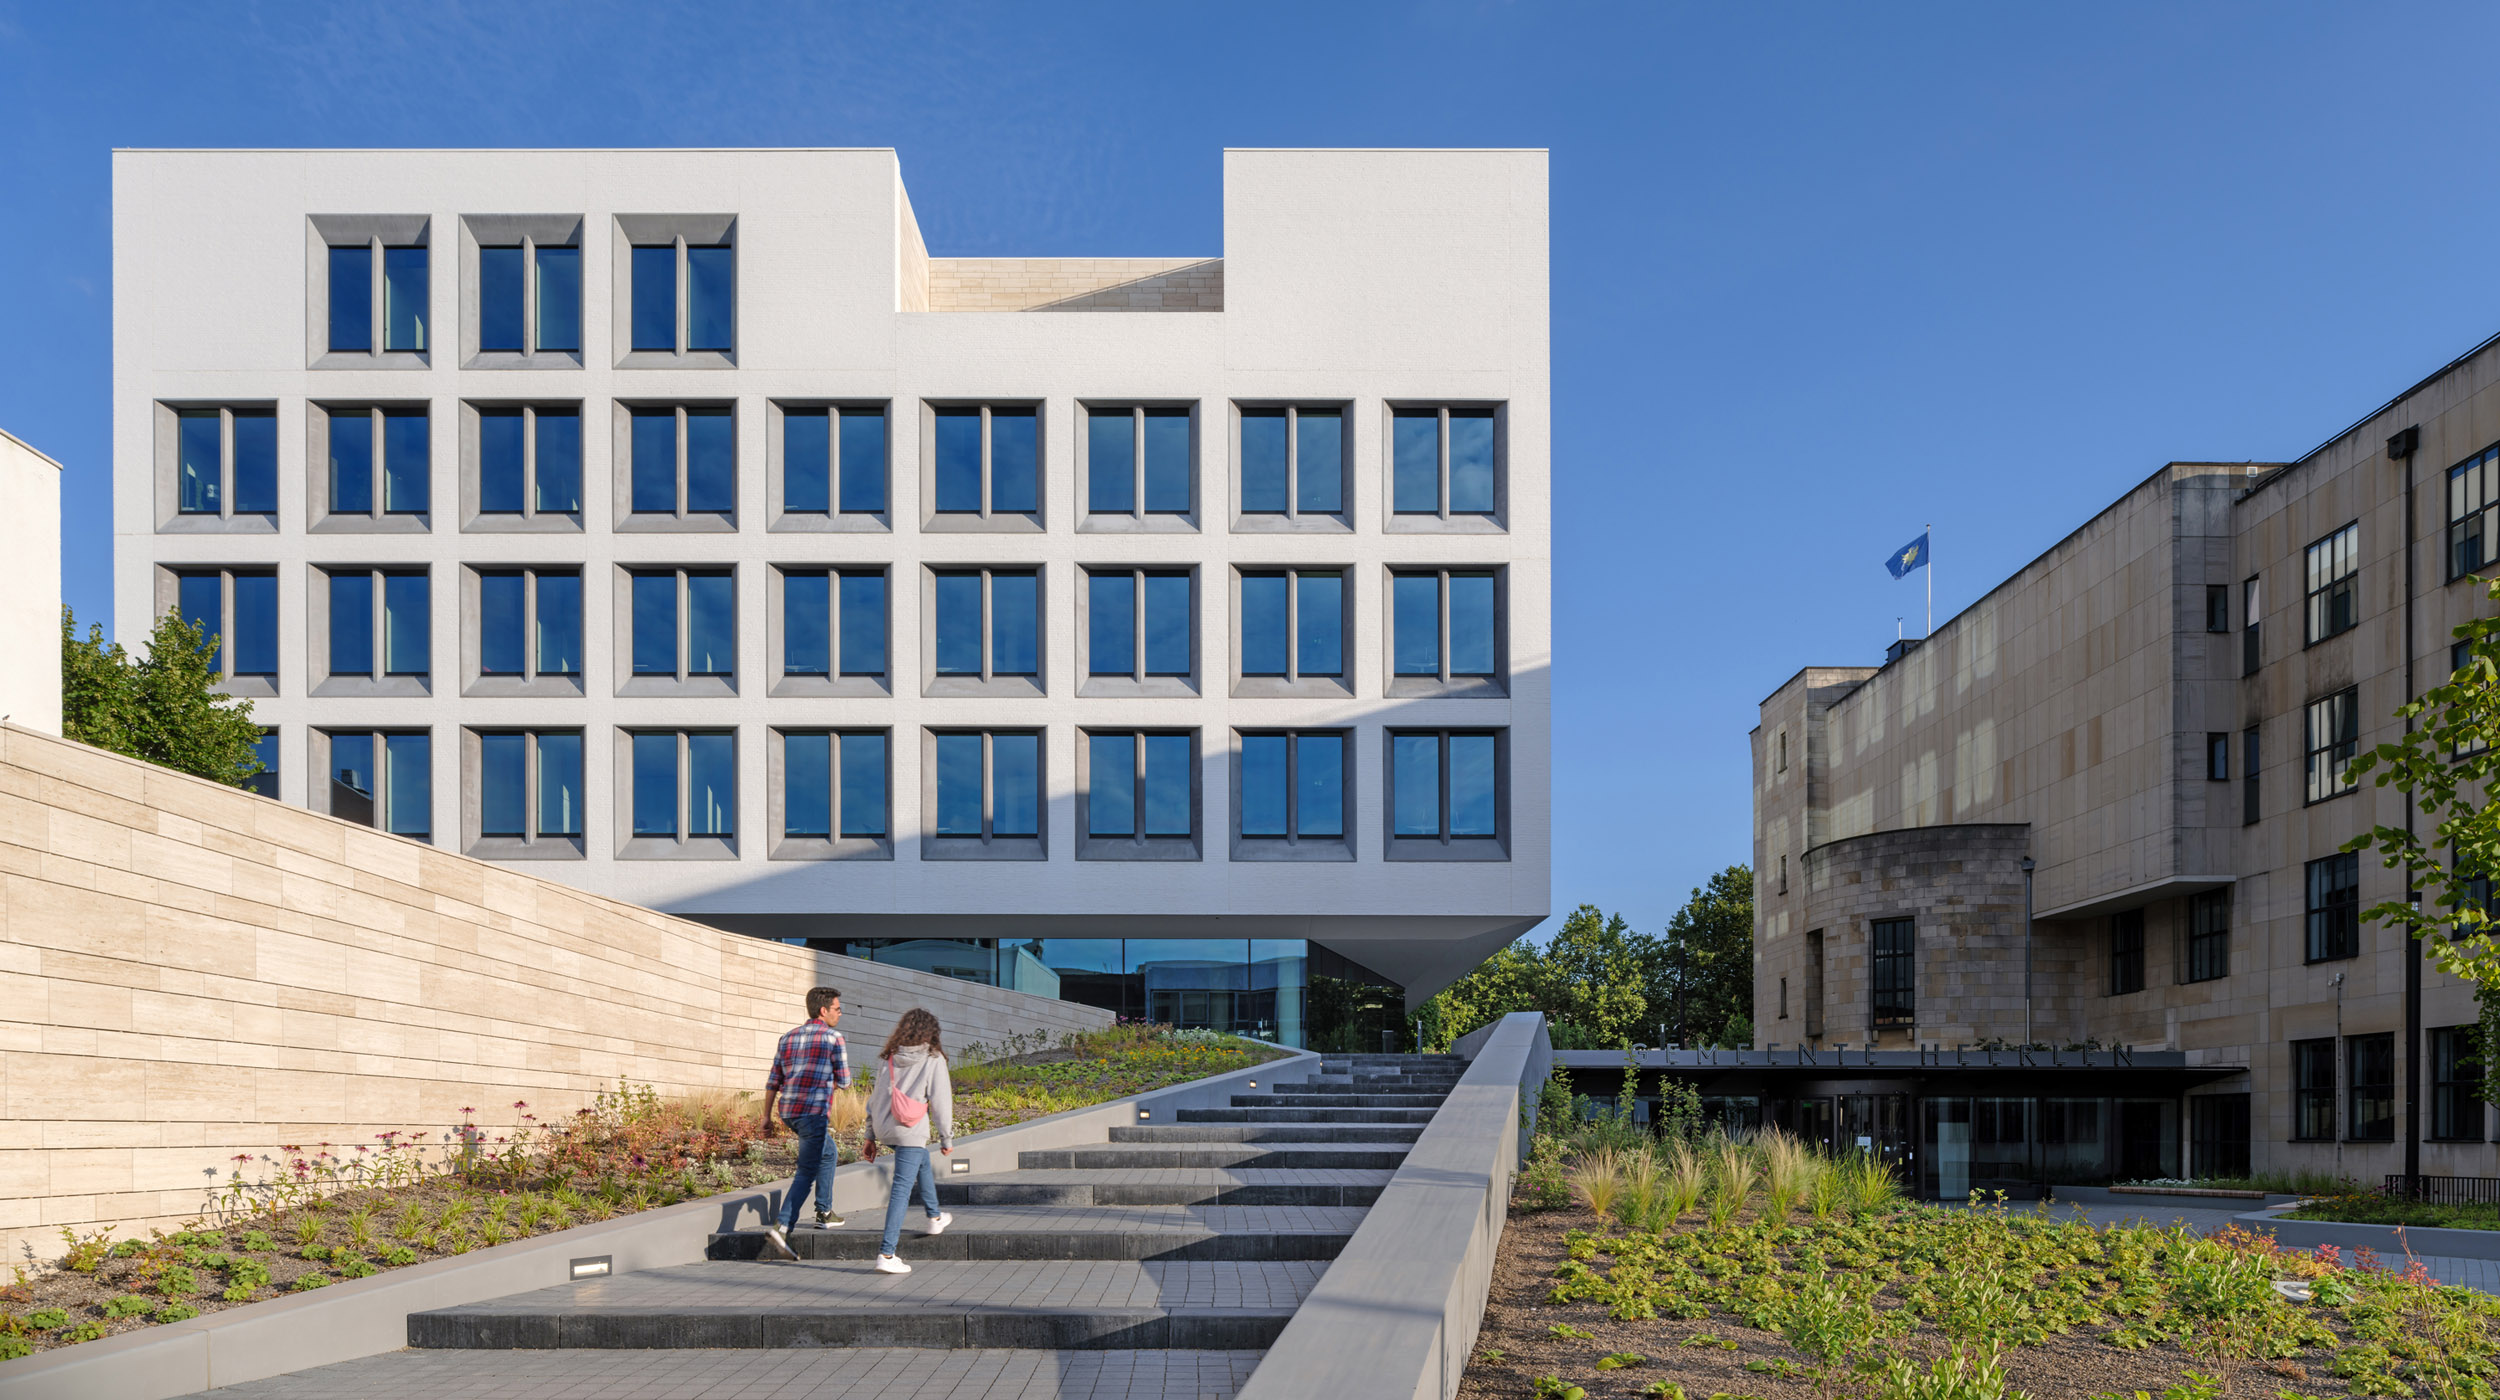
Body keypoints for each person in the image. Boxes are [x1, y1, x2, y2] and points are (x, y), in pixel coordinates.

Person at [756, 986, 852, 1262]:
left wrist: (765, 1117)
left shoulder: (787, 1037)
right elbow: (844, 1082)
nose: (840, 1013)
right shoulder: (834, 1038)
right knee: (806, 1171)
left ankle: (824, 1212)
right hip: (812, 1113)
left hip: (789, 1112)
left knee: (828, 1153)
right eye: (837, 1009)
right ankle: (782, 1227)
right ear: (823, 1011)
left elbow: (773, 1080)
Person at [862, 1006, 955, 1275]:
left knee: (921, 1160)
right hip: (910, 1128)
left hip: (885, 1127)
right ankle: (886, 1253)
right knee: (901, 1189)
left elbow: (875, 1098)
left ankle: (935, 1217)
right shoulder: (933, 1058)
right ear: (931, 1032)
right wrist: (946, 1137)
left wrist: (870, 1135)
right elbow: (941, 1102)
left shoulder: (889, 1057)